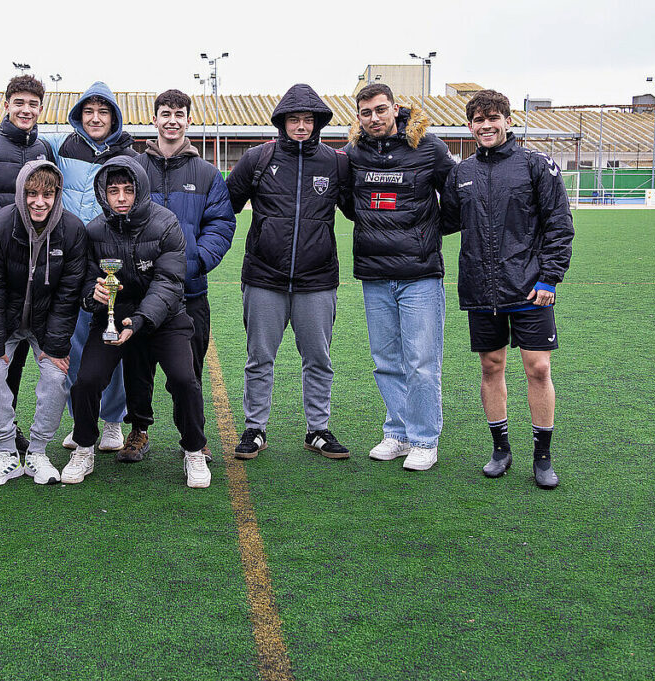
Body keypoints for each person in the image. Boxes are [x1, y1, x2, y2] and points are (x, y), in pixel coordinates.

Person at [441, 89, 573, 489]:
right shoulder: (461, 173)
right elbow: (444, 222)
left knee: (539, 368)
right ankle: (500, 449)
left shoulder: (536, 165)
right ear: (470, 126)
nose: (486, 126)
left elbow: (559, 224)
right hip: (481, 289)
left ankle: (542, 457)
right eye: (479, 120)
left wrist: (550, 277)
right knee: (491, 367)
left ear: (508, 121)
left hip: (530, 287)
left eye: (493, 118)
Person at [225, 83, 354, 460]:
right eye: (294, 119)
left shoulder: (335, 162)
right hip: (264, 277)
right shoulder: (257, 158)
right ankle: (255, 429)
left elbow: (356, 209)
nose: (301, 126)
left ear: (318, 123)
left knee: (319, 359)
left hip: (318, 280)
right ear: (282, 122)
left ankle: (318, 429)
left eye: (307, 120)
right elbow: (224, 205)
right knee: (259, 358)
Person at [63, 157, 210, 488]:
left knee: (184, 379)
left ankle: (193, 450)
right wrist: (93, 295)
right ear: (103, 193)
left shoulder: (166, 223)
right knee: (87, 380)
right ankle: (84, 448)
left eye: (128, 190)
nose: (121, 198)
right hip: (113, 318)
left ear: (140, 190)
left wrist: (141, 319)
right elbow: (84, 281)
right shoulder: (94, 230)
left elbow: (170, 282)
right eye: (113, 190)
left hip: (165, 318)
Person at [343, 83, 455, 471]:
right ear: (358, 116)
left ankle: (425, 440)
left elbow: (455, 197)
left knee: (422, 362)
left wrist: (428, 233)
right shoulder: (354, 153)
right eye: (366, 112)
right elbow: (349, 203)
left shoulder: (430, 147)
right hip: (374, 273)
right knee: (386, 360)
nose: (374, 118)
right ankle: (398, 432)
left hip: (420, 274)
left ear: (395, 108)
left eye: (380, 109)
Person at [130, 88, 235, 463]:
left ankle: (193, 437)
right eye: (165, 113)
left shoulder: (206, 173)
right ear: (154, 119)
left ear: (189, 120)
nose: (172, 120)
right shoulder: (135, 168)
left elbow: (221, 223)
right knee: (137, 369)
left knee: (188, 374)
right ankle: (138, 430)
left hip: (189, 293)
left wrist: (197, 260)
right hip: (141, 293)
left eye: (179, 114)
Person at [0, 160, 86, 486]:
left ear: (57, 195)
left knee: (55, 375)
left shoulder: (72, 229)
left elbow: (68, 295)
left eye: (47, 195)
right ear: (21, 193)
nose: (39, 202)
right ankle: (7, 452)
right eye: (32, 194)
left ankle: (37, 451)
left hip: (46, 321)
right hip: (5, 321)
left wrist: (56, 346)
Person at [46, 81, 138, 453]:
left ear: (114, 117)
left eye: (103, 112)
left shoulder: (128, 154)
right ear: (78, 115)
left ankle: (113, 421)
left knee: (111, 340)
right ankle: (81, 420)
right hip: (69, 262)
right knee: (73, 345)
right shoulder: (60, 147)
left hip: (109, 260)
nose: (95, 118)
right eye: (89, 111)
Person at [0, 76, 57, 453]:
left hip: (29, 267)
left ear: (41, 108)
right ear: (6, 105)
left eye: (33, 104)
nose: (26, 110)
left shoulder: (44, 148)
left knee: (17, 357)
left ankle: (4, 431)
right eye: (19, 102)